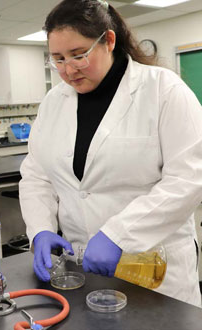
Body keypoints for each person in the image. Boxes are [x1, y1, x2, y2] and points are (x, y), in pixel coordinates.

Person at [19, 0, 202, 307]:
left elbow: (189, 178)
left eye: (78, 55)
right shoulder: (53, 102)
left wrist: (118, 234)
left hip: (153, 270)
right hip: (82, 270)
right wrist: (40, 230)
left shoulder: (162, 90)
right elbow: (37, 176)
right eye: (58, 59)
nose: (68, 70)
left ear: (109, 41)